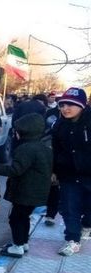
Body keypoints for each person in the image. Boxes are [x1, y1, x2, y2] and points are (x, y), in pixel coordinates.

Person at [0, 113, 53, 257]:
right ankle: (23, 242)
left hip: (25, 192)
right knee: (24, 217)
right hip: (37, 191)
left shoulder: (26, 149)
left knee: (16, 218)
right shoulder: (44, 147)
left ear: (24, 132)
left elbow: (14, 170)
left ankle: (17, 246)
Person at [49, 87, 91, 256]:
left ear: (82, 105)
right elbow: (55, 150)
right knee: (69, 207)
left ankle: (87, 225)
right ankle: (72, 240)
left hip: (89, 174)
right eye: (63, 104)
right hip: (68, 174)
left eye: (71, 105)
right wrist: (54, 170)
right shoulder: (59, 125)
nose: (66, 108)